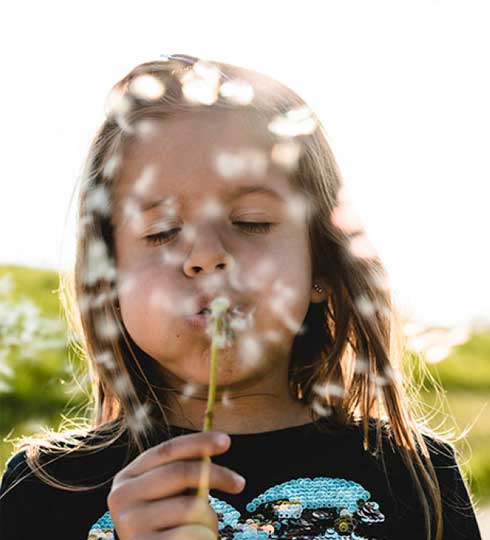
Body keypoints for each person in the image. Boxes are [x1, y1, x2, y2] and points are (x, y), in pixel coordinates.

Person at [0, 54, 482, 540]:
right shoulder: (47, 490)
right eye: (162, 232)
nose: (207, 256)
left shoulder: (414, 476)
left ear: (322, 268)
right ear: (110, 282)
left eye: (251, 221)